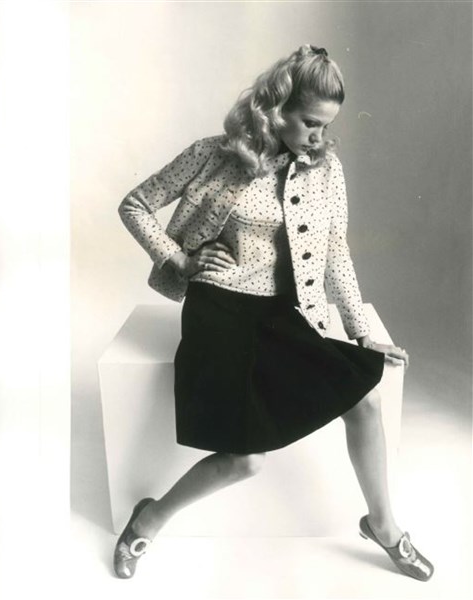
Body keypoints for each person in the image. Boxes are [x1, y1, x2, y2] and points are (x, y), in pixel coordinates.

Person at [115, 44, 433, 582]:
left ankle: (383, 525)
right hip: (219, 307)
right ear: (276, 108)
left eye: (326, 126)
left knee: (367, 398)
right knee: (244, 460)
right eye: (310, 123)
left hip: (283, 312)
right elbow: (135, 204)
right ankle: (148, 518)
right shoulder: (212, 154)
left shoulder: (325, 170)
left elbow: (335, 252)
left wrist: (361, 331)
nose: (319, 137)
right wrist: (180, 259)